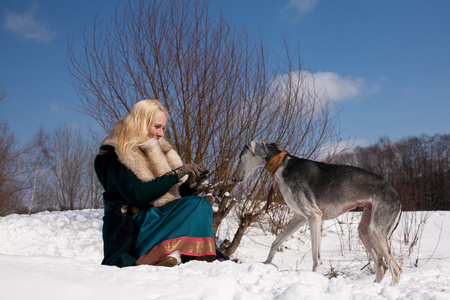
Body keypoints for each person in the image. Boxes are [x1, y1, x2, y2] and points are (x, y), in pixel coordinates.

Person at [94, 99, 221, 267]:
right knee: (196, 205)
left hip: (152, 219)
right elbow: (137, 195)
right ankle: (183, 257)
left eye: (163, 128)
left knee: (200, 205)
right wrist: (175, 174)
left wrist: (188, 186)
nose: (161, 134)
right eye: (157, 127)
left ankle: (182, 256)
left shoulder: (152, 149)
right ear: (141, 123)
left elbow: (164, 197)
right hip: (130, 228)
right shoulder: (115, 154)